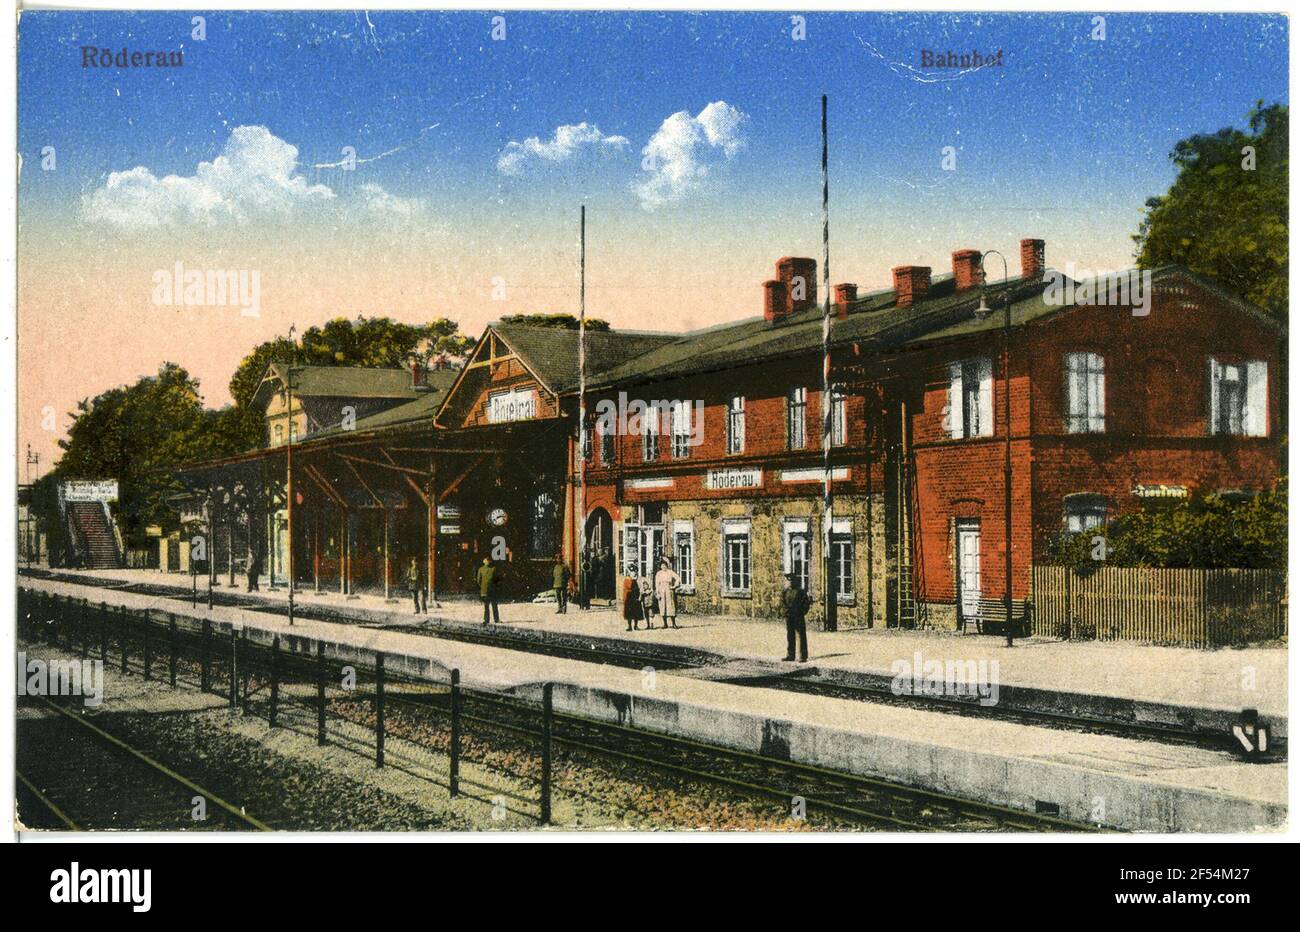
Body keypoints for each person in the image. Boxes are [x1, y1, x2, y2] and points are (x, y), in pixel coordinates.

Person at [780, 573, 811, 662]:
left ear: (795, 581)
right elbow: (782, 603)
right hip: (789, 616)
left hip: (798, 616)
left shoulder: (800, 592)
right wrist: (785, 612)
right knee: (790, 635)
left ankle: (803, 656)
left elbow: (806, 604)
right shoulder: (785, 592)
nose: (790, 582)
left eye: (792, 580)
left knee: (801, 635)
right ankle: (790, 654)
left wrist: (801, 612)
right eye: (789, 580)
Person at [654, 557, 681, 629]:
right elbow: (656, 583)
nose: (663, 567)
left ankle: (673, 623)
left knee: (670, 606)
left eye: (664, 565)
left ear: (667, 565)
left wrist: (674, 586)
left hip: (669, 590)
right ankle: (665, 624)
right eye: (662, 566)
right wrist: (657, 593)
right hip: (661, 589)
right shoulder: (658, 573)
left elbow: (678, 578)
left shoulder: (670, 572)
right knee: (663, 606)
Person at [477, 557, 501, 625]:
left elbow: (478, 580)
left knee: (486, 606)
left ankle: (486, 620)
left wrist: (483, 587)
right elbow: (497, 579)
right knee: (494, 605)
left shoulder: (480, 569)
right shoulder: (494, 569)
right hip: (492, 590)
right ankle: (496, 619)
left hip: (484, 591)